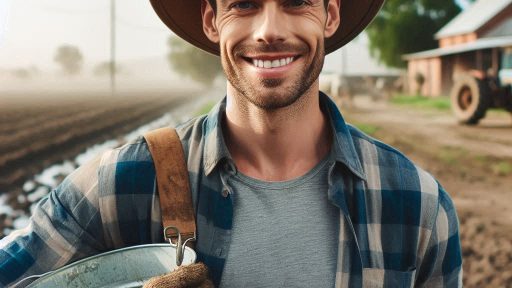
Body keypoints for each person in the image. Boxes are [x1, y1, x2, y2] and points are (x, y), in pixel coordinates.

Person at [0, 0, 462, 287]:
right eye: (243, 3)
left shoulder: (418, 207)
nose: (269, 29)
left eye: (297, 1)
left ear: (331, 14)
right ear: (211, 20)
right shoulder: (121, 184)